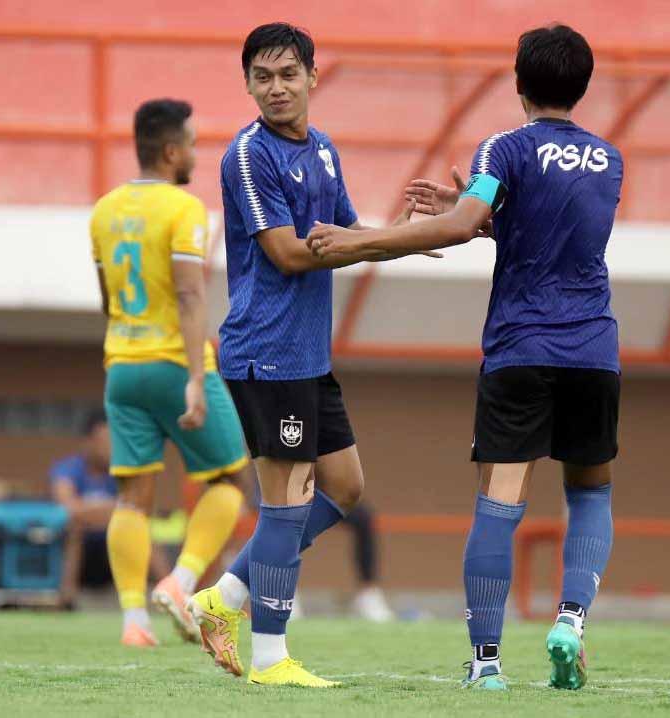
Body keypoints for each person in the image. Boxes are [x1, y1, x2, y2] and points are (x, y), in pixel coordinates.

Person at [308, 24, 620, 691]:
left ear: (518, 81)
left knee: (499, 501)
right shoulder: (608, 158)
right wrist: (482, 213)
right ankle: (571, 621)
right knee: (590, 491)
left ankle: (486, 665)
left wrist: (362, 241)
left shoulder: (504, 147)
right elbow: (549, 229)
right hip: (594, 348)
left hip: (522, 348)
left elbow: (456, 229)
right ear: (582, 85)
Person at [186, 23, 434, 688]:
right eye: (262, 77)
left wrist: (406, 237)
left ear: (312, 78)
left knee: (346, 489)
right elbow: (291, 253)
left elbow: (346, 231)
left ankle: (223, 598)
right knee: (287, 504)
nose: (276, 88)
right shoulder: (246, 155)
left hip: (308, 356)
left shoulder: (323, 150)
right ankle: (270, 658)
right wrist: (378, 245)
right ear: (247, 85)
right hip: (266, 355)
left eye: (288, 75)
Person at [90, 98, 252, 648]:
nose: (195, 154)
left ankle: (134, 622)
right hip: (174, 364)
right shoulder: (185, 211)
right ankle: (182, 583)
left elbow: (109, 299)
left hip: (123, 366)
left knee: (132, 497)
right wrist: (192, 377)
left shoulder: (103, 211)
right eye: (190, 144)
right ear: (169, 150)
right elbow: (188, 293)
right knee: (229, 480)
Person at [50, 410, 117, 605]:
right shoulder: (67, 469)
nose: (110, 448)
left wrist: (86, 512)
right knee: (74, 527)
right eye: (104, 441)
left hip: (110, 547)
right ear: (88, 442)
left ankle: (171, 593)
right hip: (76, 547)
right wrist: (108, 510)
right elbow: (67, 509)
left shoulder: (121, 471)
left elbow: (135, 507)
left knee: (141, 526)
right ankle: (66, 599)